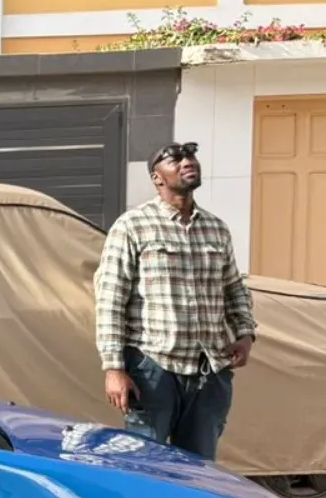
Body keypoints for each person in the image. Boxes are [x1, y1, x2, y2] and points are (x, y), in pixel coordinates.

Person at [94, 141, 257, 460]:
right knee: (143, 463)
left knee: (199, 467)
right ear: (157, 178)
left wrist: (245, 333)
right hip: (153, 369)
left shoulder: (216, 228)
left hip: (209, 370)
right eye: (176, 159)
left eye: (191, 156)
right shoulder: (132, 226)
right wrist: (113, 368)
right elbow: (111, 299)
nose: (187, 162)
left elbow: (233, 287)